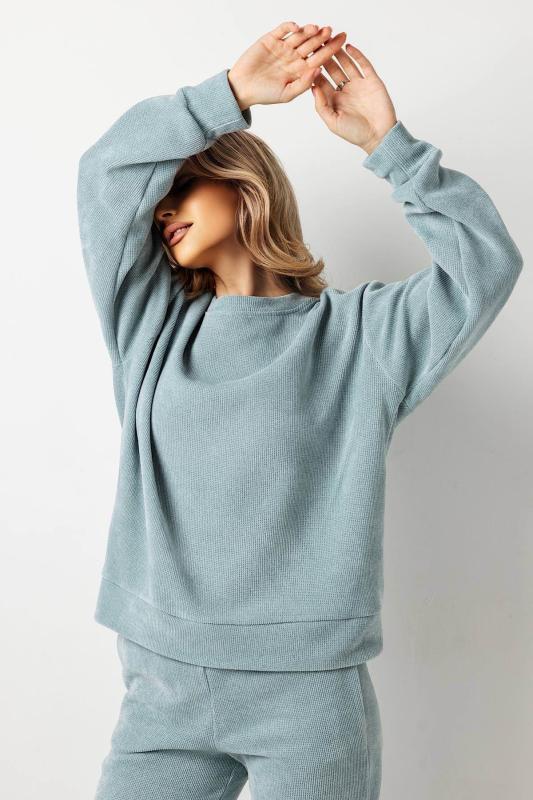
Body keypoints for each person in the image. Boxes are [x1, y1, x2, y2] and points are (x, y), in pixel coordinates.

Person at [76, 20, 523, 800]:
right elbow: (106, 171)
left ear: (240, 184)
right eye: (159, 200)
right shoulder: (150, 329)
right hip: (161, 691)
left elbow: (484, 265)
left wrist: (387, 144)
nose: (161, 211)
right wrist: (227, 95)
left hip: (307, 698)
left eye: (183, 187)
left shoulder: (360, 338)